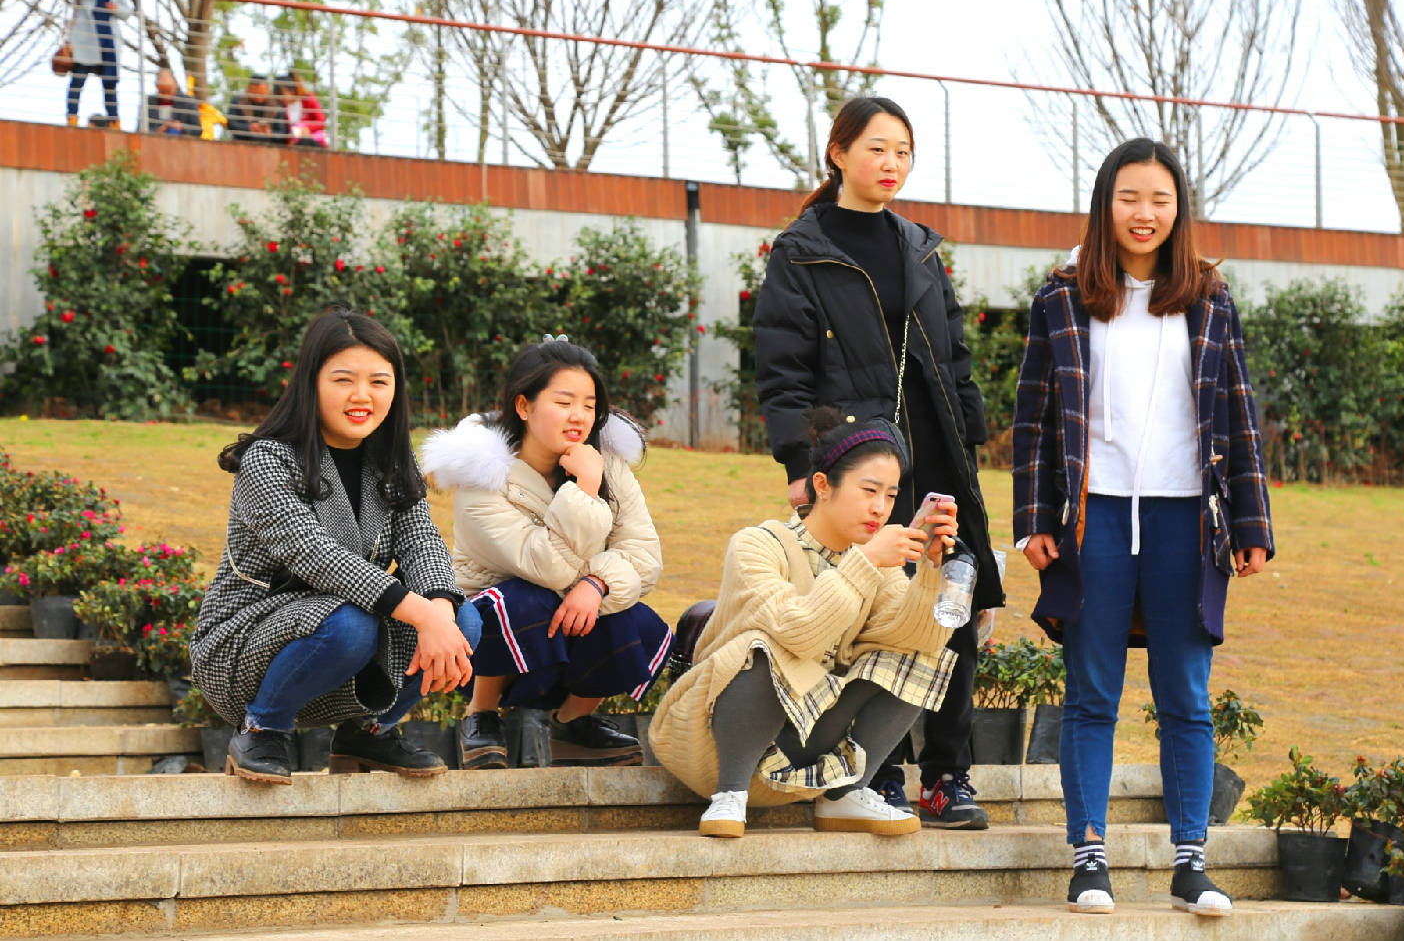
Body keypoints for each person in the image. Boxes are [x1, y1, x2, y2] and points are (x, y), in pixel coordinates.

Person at [1011, 138, 1275, 918]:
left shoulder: (1209, 298)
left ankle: (1192, 863)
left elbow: (1238, 411)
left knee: (1185, 695)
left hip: (1186, 518)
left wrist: (1252, 522)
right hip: (1090, 517)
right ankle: (1088, 860)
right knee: (1091, 692)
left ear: (1178, 209)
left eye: (1160, 199)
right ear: (1106, 204)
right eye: (1129, 197)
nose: (1144, 213)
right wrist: (1032, 520)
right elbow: (1032, 420)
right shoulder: (1062, 297)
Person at [752, 94, 1002, 830]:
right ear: (838, 153)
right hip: (857, 459)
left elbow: (954, 355)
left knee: (951, 603)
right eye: (877, 149)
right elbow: (781, 369)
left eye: (903, 152)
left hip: (939, 454)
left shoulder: (919, 247)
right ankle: (874, 772)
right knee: (867, 609)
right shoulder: (801, 250)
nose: (892, 164)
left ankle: (947, 777)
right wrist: (799, 462)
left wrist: (970, 439)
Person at [190, 307, 480, 784]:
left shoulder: (391, 459)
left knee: (464, 619)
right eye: (344, 380)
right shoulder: (267, 460)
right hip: (246, 646)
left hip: (345, 639)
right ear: (311, 383)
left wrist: (441, 612)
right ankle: (262, 728)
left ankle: (369, 731)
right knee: (352, 624)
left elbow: (421, 541)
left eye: (379, 382)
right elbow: (316, 556)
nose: (362, 396)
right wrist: (425, 617)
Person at [648, 409, 960, 839]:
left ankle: (844, 794)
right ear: (822, 485)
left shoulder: (877, 564)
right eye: (869, 490)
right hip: (714, 747)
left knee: (921, 657)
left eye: (890, 496)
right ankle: (730, 794)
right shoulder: (758, 544)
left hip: (801, 746)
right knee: (767, 644)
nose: (880, 508)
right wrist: (865, 562)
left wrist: (930, 571)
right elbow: (798, 632)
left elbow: (916, 638)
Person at [420, 337, 671, 768]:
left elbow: (644, 554)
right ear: (524, 406)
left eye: (589, 405)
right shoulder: (482, 476)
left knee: (636, 621)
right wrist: (586, 488)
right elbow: (546, 566)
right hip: (495, 642)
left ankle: (572, 723)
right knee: (523, 599)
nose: (579, 416)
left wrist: (597, 584)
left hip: (570, 623)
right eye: (564, 402)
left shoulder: (607, 462)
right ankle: (481, 715)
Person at [63, 0, 132, 128]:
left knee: (110, 83)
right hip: (86, 38)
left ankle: (114, 121)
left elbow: (127, 12)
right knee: (78, 78)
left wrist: (116, 9)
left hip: (108, 38)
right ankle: (72, 118)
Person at [226, 75, 288, 144]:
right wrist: (249, 127)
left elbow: (283, 133)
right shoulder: (237, 100)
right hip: (242, 142)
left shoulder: (277, 106)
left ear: (267, 90)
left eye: (262, 93)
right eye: (255, 93)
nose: (258, 97)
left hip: (269, 145)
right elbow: (230, 123)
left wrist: (270, 132)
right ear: (248, 90)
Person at [277, 71, 330, 147]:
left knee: (305, 142)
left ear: (291, 90)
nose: (280, 97)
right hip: (294, 144)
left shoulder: (308, 99)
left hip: (312, 140)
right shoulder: (283, 106)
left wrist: (307, 128)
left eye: (282, 93)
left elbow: (321, 121)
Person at [143, 68, 201, 136]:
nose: (165, 95)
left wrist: (181, 127)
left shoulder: (187, 101)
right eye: (162, 91)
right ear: (157, 86)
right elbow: (140, 128)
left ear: (175, 86)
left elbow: (197, 130)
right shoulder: (148, 102)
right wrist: (159, 130)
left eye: (168, 91)